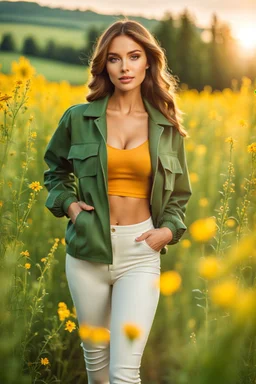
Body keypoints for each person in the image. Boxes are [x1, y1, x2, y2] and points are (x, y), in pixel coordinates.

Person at [43, 18, 192, 384]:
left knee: (124, 372)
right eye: (114, 58)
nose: (125, 67)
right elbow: (53, 173)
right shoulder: (78, 119)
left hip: (140, 252)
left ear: (148, 62)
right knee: (97, 367)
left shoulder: (166, 126)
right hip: (87, 250)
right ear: (104, 66)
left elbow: (179, 195)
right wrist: (70, 206)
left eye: (134, 56)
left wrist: (168, 232)